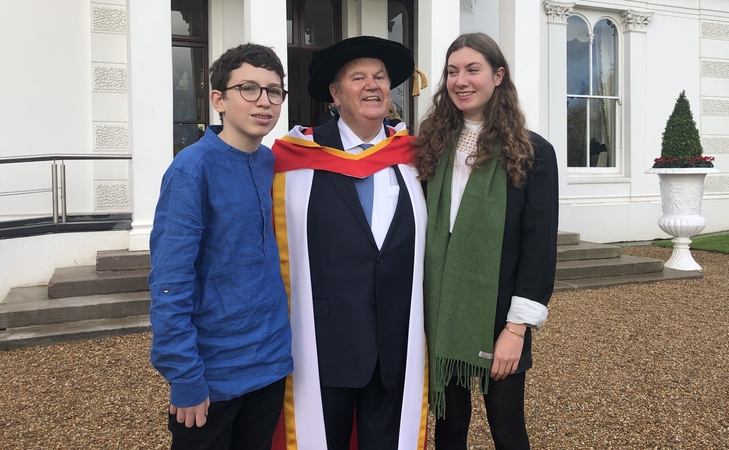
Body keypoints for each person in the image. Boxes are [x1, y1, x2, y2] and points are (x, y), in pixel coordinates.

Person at [269, 36, 427, 450]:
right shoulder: (295, 160)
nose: (372, 85)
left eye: (379, 76)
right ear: (335, 95)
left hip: (396, 344)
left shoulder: (414, 159)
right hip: (322, 346)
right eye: (358, 77)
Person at [414, 32, 559, 450]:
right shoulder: (430, 148)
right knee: (449, 428)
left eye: (472, 70)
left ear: (498, 76)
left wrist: (516, 330)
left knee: (508, 428)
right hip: (440, 308)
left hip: (500, 313)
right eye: (452, 71)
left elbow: (538, 249)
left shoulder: (533, 153)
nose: (461, 80)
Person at [149, 43, 292, 450]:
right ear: (219, 100)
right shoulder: (192, 170)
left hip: (269, 364)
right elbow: (169, 282)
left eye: (274, 91)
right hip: (213, 373)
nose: (264, 101)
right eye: (249, 89)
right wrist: (184, 376)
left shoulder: (271, 165)